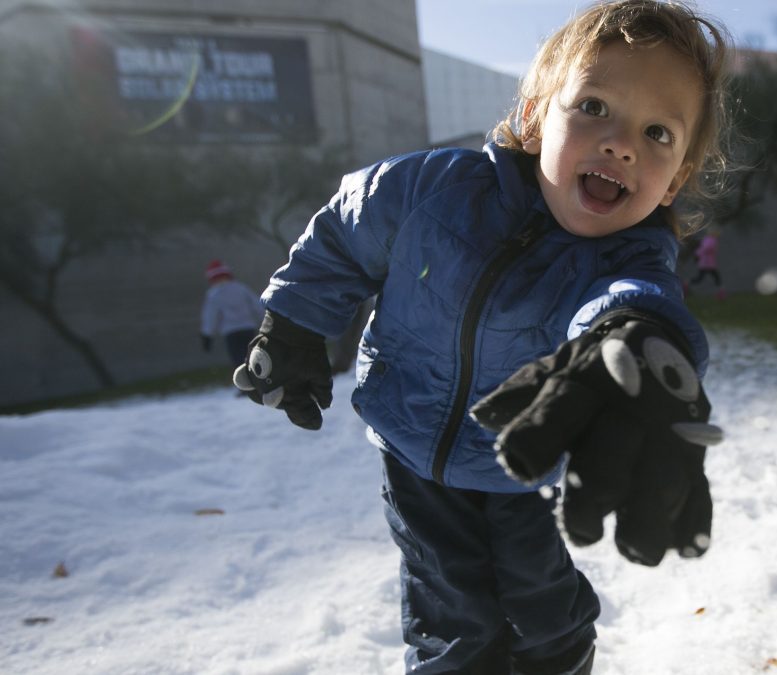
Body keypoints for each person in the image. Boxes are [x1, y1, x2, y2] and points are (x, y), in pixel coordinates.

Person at [232, 2, 729, 672]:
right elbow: (344, 235)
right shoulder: (433, 191)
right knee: (454, 611)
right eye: (593, 107)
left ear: (675, 182)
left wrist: (636, 337)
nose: (621, 143)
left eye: (658, 133)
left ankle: (560, 657)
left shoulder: (626, 256)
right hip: (413, 447)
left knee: (542, 604)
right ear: (532, 117)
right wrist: (292, 322)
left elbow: (635, 301)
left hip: (518, 464)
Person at [199, 259, 263, 369]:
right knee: (253, 356)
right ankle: (257, 379)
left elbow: (210, 316)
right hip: (248, 328)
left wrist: (207, 335)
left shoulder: (213, 294)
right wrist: (265, 320)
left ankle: (245, 383)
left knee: (239, 361)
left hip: (231, 332)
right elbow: (257, 305)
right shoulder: (241, 288)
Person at [689, 228, 723, 297]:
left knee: (701, 278)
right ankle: (721, 291)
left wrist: (697, 256)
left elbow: (702, 249)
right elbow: (706, 248)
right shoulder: (711, 240)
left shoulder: (707, 239)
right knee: (714, 277)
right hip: (707, 263)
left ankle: (720, 291)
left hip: (706, 263)